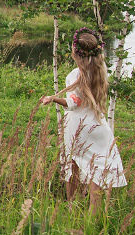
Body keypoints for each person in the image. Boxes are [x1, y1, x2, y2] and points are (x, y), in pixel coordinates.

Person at [39, 27, 127, 209]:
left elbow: (74, 102)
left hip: (78, 127)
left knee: (72, 166)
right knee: (98, 170)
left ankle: (71, 205)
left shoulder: (75, 75)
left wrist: (53, 98)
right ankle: (94, 213)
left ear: (76, 53)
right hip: (98, 126)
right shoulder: (100, 70)